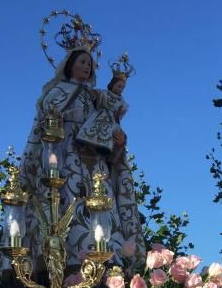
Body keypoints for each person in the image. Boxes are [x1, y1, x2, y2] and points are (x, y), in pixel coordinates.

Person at [19, 47, 142, 265]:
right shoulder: (57, 92)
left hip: (95, 164)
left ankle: (107, 265)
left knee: (102, 207)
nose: (87, 67)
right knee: (64, 208)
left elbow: (108, 127)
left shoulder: (98, 98)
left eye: (90, 64)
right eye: (83, 62)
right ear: (70, 65)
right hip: (63, 158)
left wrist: (118, 142)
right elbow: (45, 125)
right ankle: (64, 266)